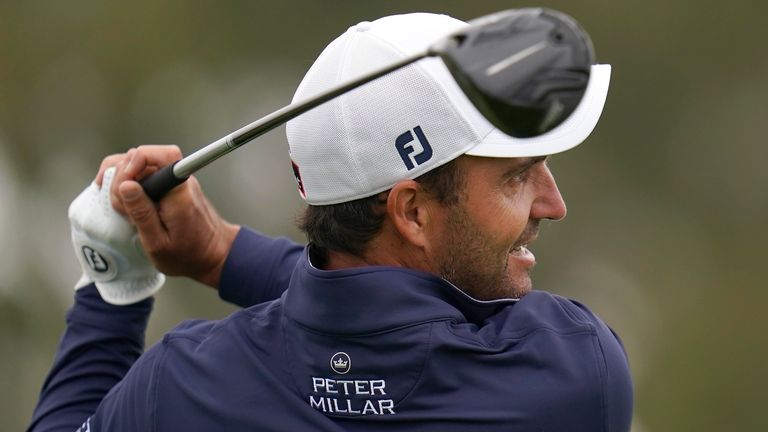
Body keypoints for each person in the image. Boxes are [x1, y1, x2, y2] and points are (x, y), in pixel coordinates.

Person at [29, 11, 632, 432]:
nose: (552, 203)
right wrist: (224, 255)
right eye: (517, 176)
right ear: (413, 212)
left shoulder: (182, 388)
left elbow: (355, 310)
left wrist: (111, 288)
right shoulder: (570, 370)